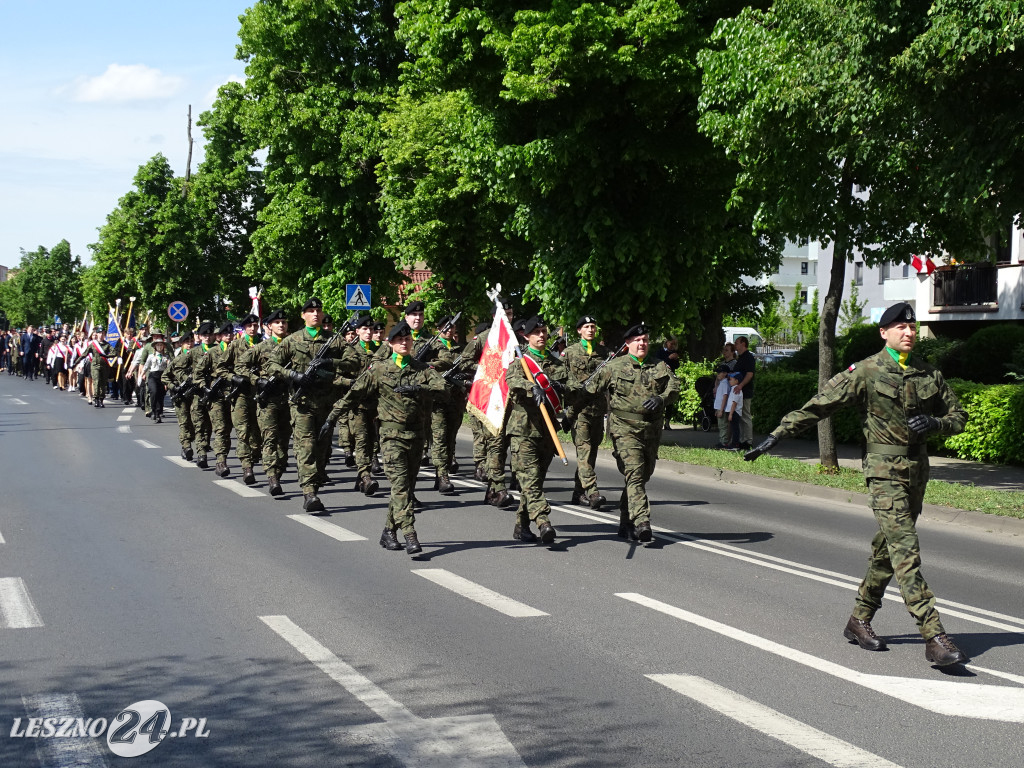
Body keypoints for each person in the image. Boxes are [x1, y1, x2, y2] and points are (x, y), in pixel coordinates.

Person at [744, 302, 970, 667]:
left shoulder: (929, 373)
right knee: (906, 551)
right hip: (883, 471)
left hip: (917, 471)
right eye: (900, 327)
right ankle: (934, 634)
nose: (909, 332)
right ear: (884, 333)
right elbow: (820, 404)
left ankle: (859, 619)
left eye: (912, 328)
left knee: (888, 548)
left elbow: (959, 416)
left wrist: (936, 424)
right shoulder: (866, 370)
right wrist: (777, 435)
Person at [324, 320, 447, 555]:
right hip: (391, 437)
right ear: (390, 344)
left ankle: (389, 531)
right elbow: (353, 394)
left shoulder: (422, 369)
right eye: (399, 340)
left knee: (406, 488)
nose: (404, 342)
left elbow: (444, 390)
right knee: (400, 486)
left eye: (407, 339)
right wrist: (331, 418)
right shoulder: (379, 370)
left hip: (416, 435)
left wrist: (420, 390)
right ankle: (410, 534)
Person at [585, 322, 680, 542]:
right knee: (635, 473)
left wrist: (661, 398)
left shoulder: (660, 366)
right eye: (637, 341)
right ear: (627, 344)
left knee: (642, 476)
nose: (642, 344)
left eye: (645, 340)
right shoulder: (614, 366)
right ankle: (642, 521)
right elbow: (589, 389)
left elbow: (674, 388)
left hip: (651, 431)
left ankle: (626, 520)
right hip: (624, 429)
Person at [268, 297, 360, 513]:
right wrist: (292, 375)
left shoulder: (334, 340)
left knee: (322, 448)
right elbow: (272, 364)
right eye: (310, 310)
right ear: (303, 315)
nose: (315, 313)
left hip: (326, 403)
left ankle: (315, 483)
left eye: (318, 310)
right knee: (306, 446)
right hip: (302, 404)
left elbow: (355, 361)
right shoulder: (292, 340)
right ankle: (309, 493)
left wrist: (331, 362)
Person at [504, 315, 568, 544]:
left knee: (535, 483)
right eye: (536, 332)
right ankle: (543, 522)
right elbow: (512, 381)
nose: (541, 335)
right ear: (526, 336)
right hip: (524, 432)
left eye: (544, 331)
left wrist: (566, 397)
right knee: (529, 481)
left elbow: (572, 388)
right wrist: (532, 387)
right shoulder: (521, 361)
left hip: (547, 433)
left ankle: (521, 526)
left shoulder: (557, 363)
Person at [242, 308, 292, 496]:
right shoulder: (261, 348)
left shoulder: (293, 345)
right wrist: (257, 380)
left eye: (284, 322)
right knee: (270, 438)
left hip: (288, 398)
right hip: (268, 399)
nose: (281, 325)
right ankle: (272, 478)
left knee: (284, 440)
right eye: (277, 323)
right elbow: (241, 366)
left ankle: (278, 470)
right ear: (269, 326)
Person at [562, 314, 610, 509]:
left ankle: (578, 492)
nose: (591, 329)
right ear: (579, 331)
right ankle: (592, 492)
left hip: (597, 409)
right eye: (587, 327)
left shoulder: (605, 353)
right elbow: (562, 379)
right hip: (579, 410)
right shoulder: (570, 353)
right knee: (584, 450)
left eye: (593, 326)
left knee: (591, 455)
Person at [163, 331, 197, 460]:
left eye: (191, 342)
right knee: (184, 422)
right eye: (187, 343)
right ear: (182, 344)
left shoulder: (198, 358)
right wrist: (174, 387)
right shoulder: (177, 360)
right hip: (181, 395)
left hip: (194, 395)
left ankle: (191, 439)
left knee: (195, 422)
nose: (189, 345)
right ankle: (186, 446)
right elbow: (165, 376)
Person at [140, 333, 170, 423]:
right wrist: (142, 374)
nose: (159, 347)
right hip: (153, 376)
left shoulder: (166, 357)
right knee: (154, 392)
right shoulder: (151, 356)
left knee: (161, 395)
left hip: (162, 376)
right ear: (155, 347)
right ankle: (153, 410)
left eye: (161, 345)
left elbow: (169, 368)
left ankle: (159, 412)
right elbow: (146, 366)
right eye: (158, 345)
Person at [732, 335, 756, 449]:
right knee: (740, 416)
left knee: (745, 415)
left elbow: (749, 374)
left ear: (743, 344)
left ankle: (748, 440)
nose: (735, 345)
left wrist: (741, 385)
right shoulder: (740, 357)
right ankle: (742, 439)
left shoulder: (748, 357)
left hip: (744, 391)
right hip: (738, 391)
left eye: (737, 343)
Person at [711, 363, 732, 449]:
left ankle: (724, 442)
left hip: (721, 408)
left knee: (723, 426)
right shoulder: (721, 383)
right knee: (721, 425)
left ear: (725, 373)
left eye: (720, 373)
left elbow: (725, 397)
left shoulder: (724, 384)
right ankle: (722, 441)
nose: (718, 375)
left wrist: (721, 410)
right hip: (719, 407)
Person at [724, 371, 744, 449]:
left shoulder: (736, 390)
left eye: (731, 379)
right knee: (733, 428)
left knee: (735, 429)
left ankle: (735, 444)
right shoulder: (733, 389)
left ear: (737, 381)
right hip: (732, 412)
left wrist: (731, 414)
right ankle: (733, 443)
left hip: (735, 412)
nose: (729, 381)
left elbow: (734, 403)